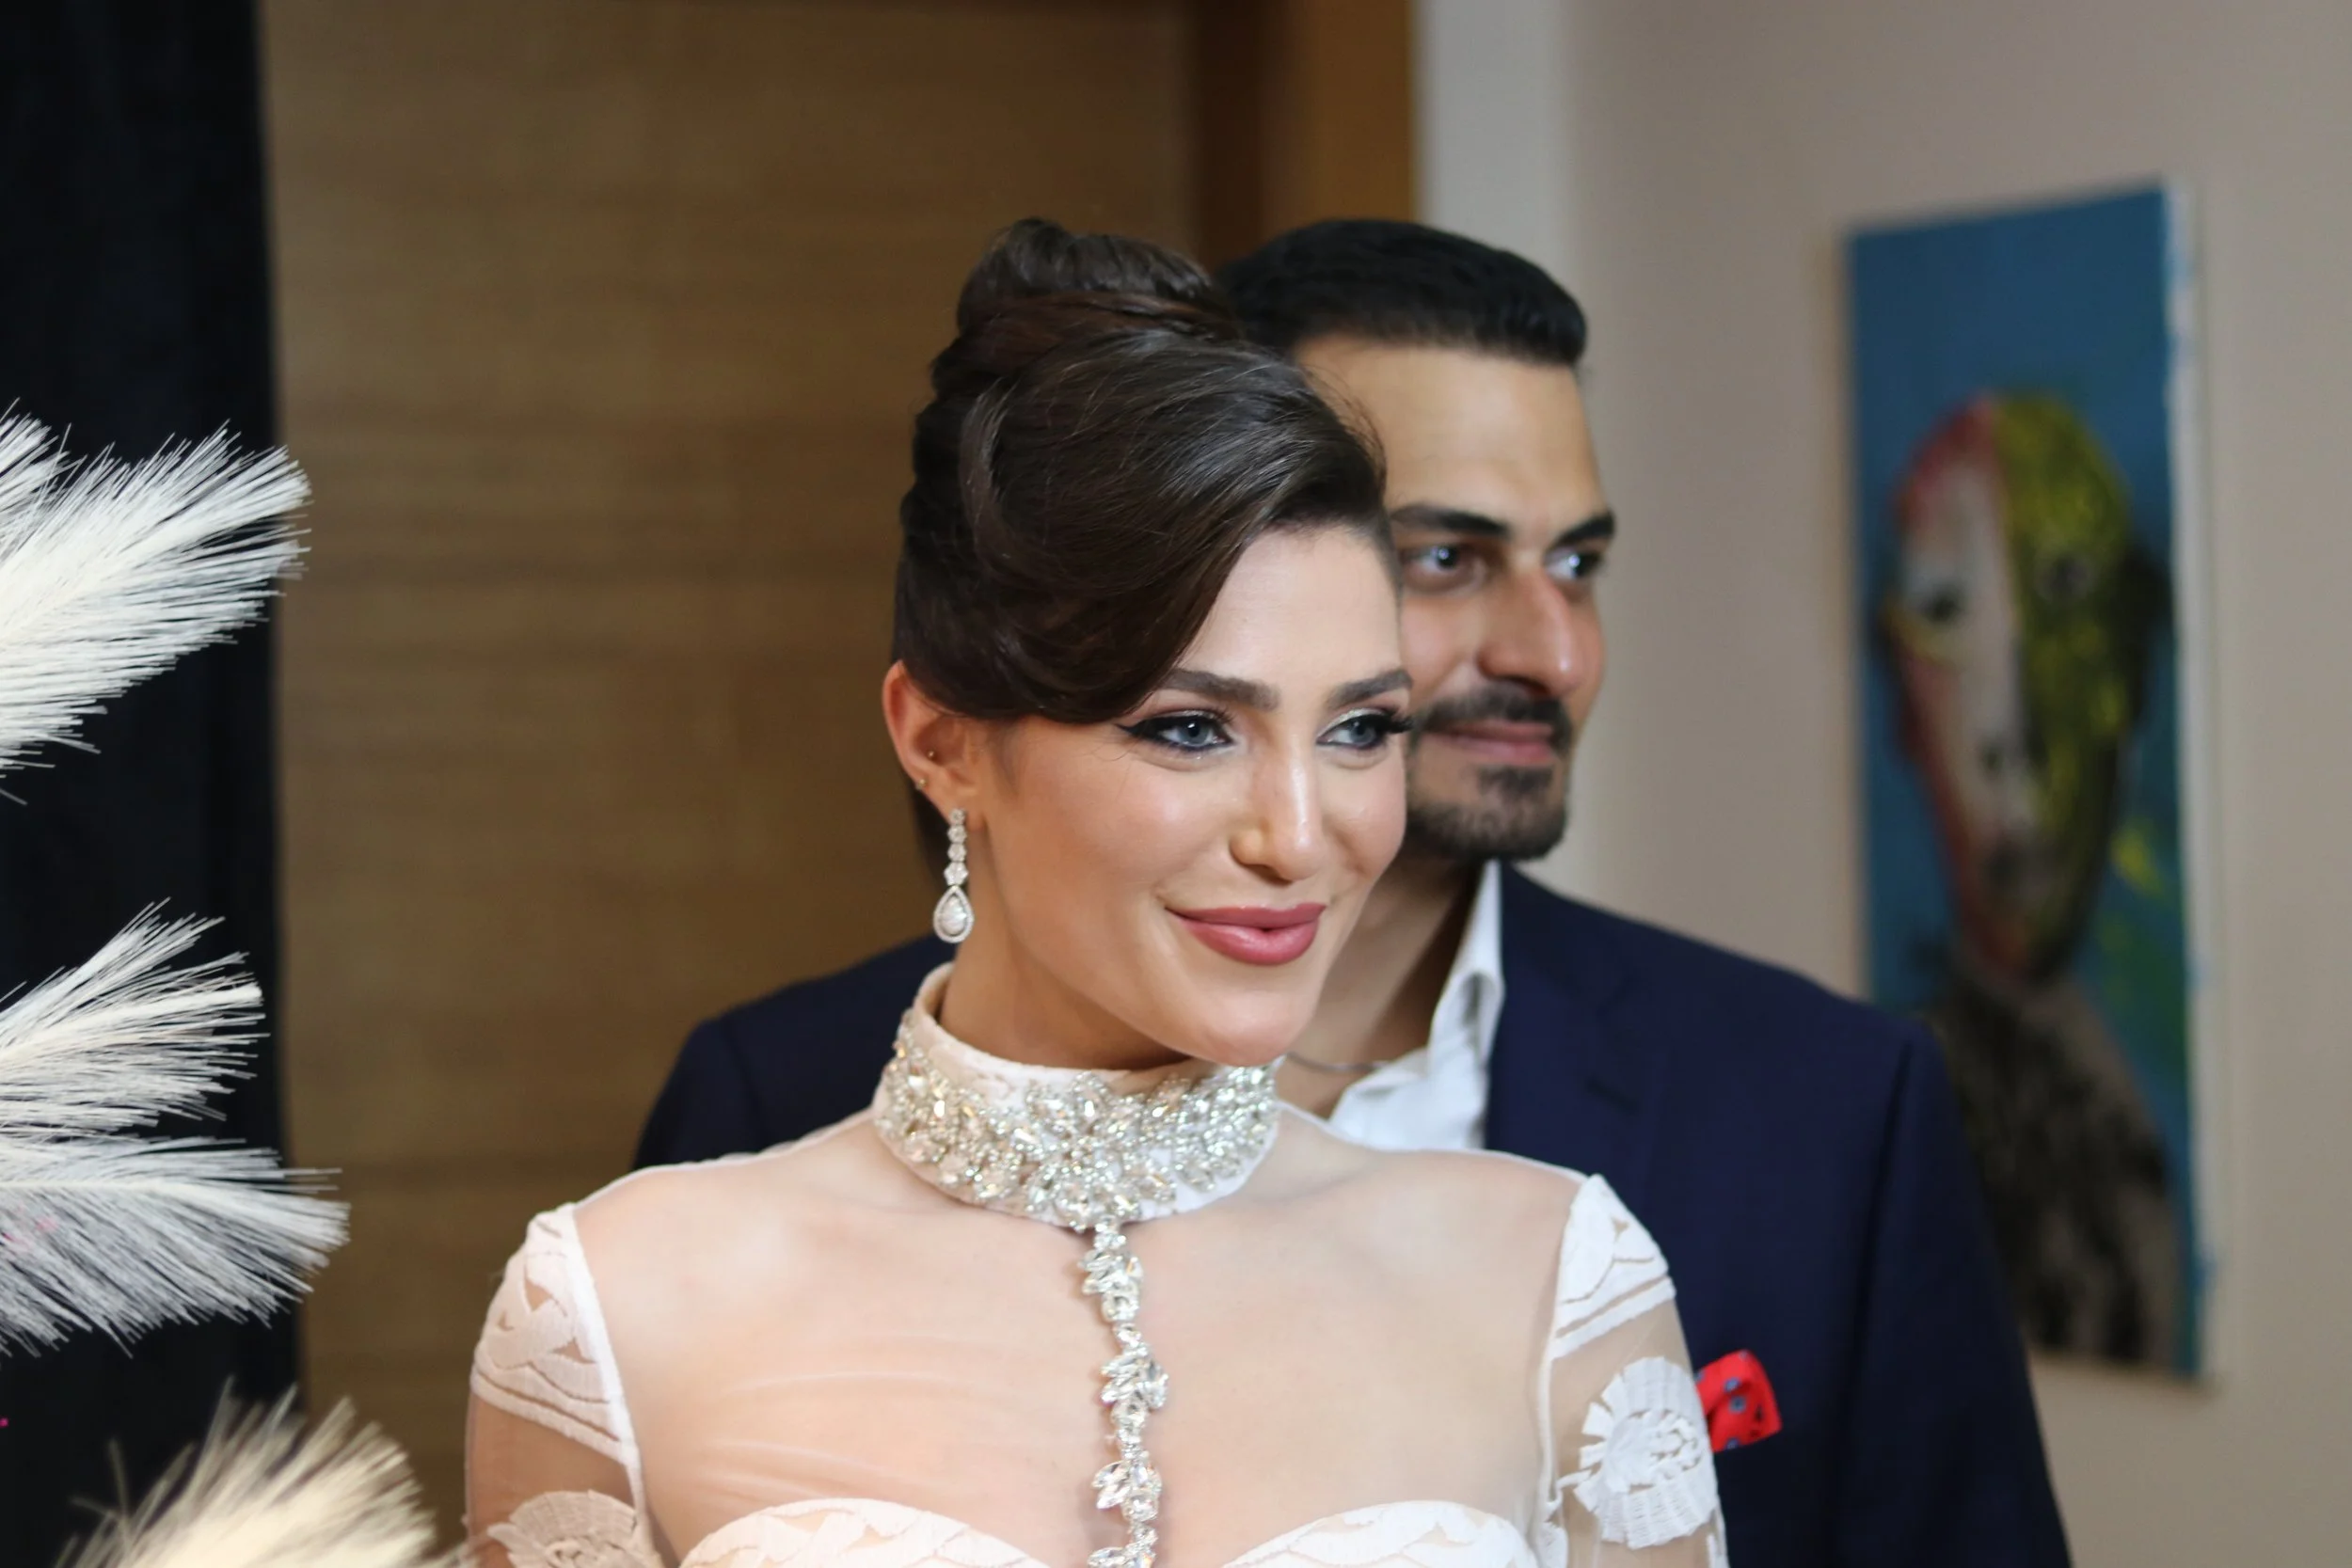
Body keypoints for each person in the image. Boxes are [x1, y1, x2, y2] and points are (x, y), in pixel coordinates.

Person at [634, 221, 2067, 1567]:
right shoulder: (772, 1097)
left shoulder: (1827, 1109)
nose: (1555, 653)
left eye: (1577, 563)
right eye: (1441, 556)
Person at [469, 221, 1728, 1568]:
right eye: (1191, 728)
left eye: (1360, 729)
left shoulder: (1555, 1276)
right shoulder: (620, 1306)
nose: (1302, 838)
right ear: (942, 741)